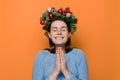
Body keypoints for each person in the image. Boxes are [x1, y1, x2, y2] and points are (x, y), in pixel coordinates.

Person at [32, 7, 88, 80]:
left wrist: (65, 71)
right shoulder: (41, 57)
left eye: (63, 29)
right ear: (49, 34)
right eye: (55, 30)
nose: (59, 33)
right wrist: (55, 72)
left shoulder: (79, 56)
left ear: (68, 34)